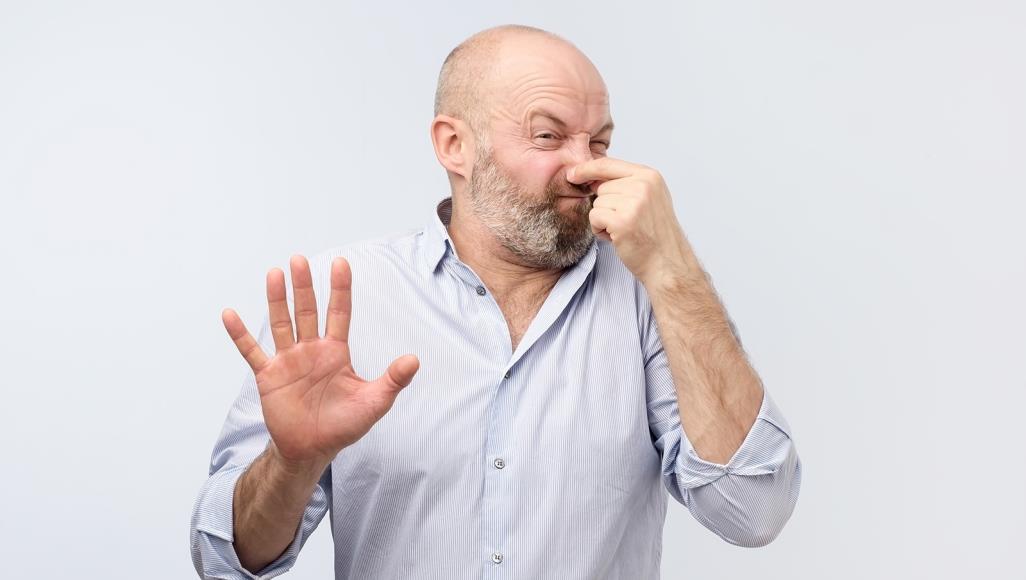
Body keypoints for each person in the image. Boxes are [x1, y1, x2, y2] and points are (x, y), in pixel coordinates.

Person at [190, 23, 802, 580]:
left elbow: (752, 509)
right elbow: (222, 559)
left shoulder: (649, 296)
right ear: (454, 144)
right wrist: (292, 463)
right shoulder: (341, 297)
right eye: (548, 135)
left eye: (599, 143)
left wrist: (673, 267)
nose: (584, 169)